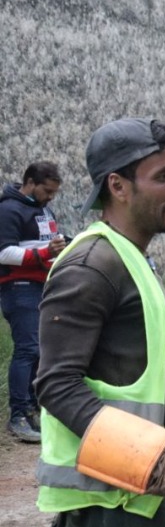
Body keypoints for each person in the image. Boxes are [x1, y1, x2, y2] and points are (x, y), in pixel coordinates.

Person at [34, 118, 165, 527]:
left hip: (133, 491)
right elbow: (55, 385)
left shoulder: (130, 258)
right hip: (109, 504)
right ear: (118, 186)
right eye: (163, 176)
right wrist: (160, 462)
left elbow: (134, 377)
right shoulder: (90, 267)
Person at [0, 161, 66, 442]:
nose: (50, 197)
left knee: (41, 350)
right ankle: (17, 416)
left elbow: (48, 242)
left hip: (42, 287)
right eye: (46, 191)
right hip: (19, 288)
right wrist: (42, 255)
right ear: (29, 182)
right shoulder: (8, 209)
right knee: (27, 349)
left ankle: (33, 412)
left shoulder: (42, 209)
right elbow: (3, 253)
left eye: (53, 193)